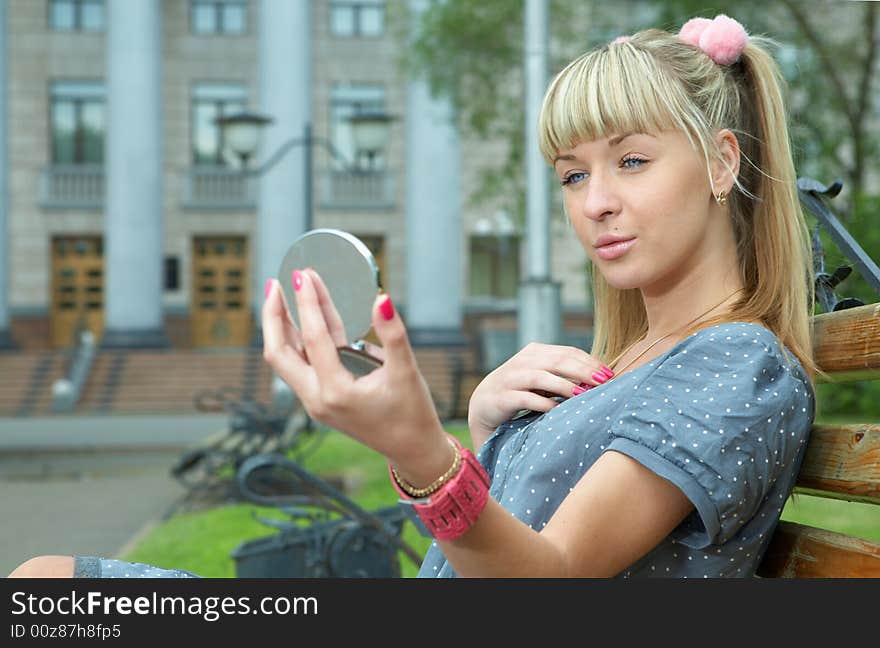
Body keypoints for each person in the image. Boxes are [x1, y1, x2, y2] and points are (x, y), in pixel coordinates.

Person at [9, 14, 818, 579]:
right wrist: (483, 436)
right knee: (45, 582)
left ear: (721, 163)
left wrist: (421, 454)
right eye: (572, 174)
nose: (593, 202)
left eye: (630, 162)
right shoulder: (624, 364)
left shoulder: (736, 363)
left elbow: (554, 580)